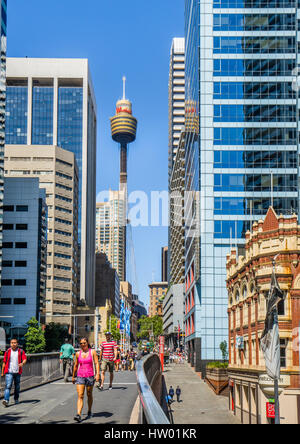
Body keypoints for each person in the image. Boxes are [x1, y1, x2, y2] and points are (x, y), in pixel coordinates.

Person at [72, 337, 100, 423]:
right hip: (80, 376)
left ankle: (89, 410)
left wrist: (97, 374)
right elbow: (76, 365)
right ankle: (78, 414)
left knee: (89, 394)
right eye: (81, 343)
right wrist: (73, 376)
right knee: (80, 395)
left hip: (90, 376)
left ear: (87, 343)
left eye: (84, 343)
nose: (82, 345)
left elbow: (96, 363)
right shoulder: (77, 354)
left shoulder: (92, 352)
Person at [1, 338, 27, 407]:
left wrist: (22, 363)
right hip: (9, 371)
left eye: (15, 342)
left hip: (17, 372)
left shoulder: (21, 351)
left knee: (17, 387)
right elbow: (4, 362)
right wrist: (2, 372)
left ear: (17, 344)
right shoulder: (7, 352)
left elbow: (24, 359)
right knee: (8, 386)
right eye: (12, 342)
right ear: (10, 344)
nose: (13, 344)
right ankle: (6, 400)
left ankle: (16, 399)